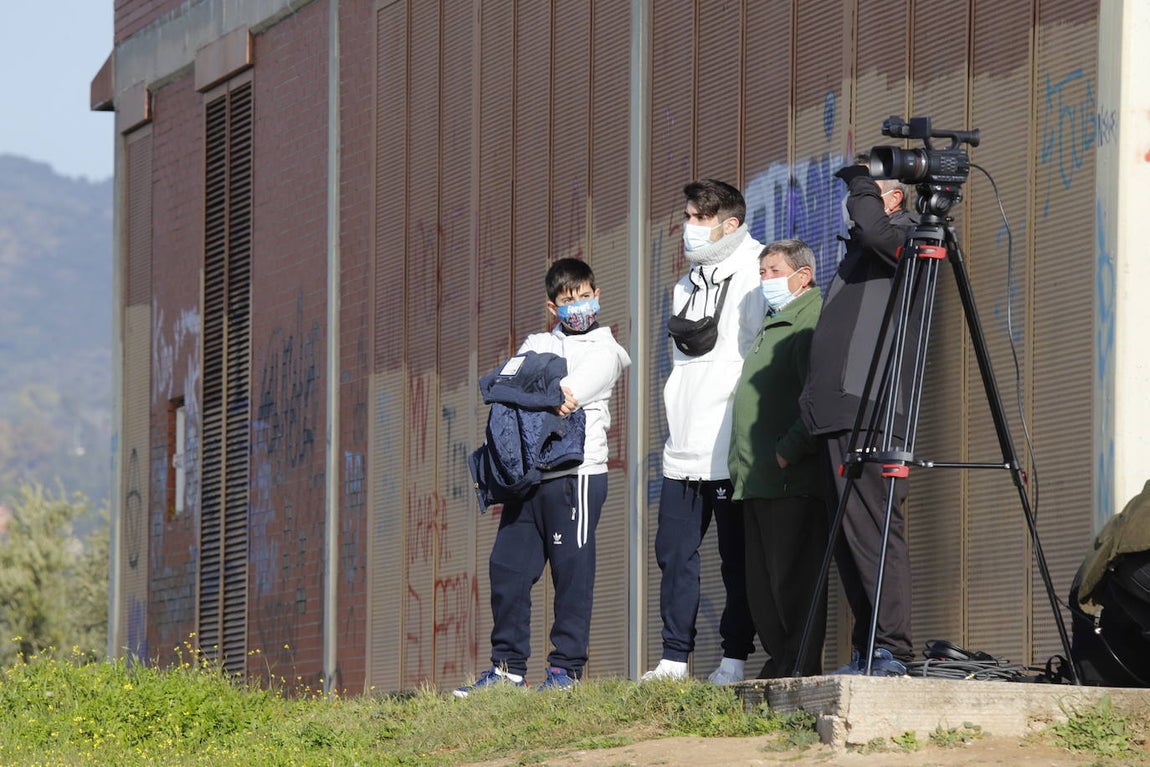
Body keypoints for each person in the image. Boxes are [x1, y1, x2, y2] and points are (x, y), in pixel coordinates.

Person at [455, 258, 631, 695]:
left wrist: (537, 388)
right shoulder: (536, 339)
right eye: (568, 300)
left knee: (572, 572)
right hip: (528, 476)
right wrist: (534, 390)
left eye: (585, 296)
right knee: (507, 568)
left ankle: (564, 671)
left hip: (578, 474)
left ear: (597, 295)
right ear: (552, 307)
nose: (579, 307)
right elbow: (499, 387)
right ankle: (507, 671)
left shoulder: (606, 351)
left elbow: (564, 399)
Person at [798, 156, 917, 675]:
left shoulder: (907, 240)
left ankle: (891, 647)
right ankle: (871, 649)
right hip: (835, 416)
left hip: (870, 411)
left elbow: (872, 229)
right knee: (850, 542)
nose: (854, 205)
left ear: (893, 200)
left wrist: (860, 178)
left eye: (868, 192)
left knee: (874, 531)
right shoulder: (860, 256)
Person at [643, 178, 764, 684]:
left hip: (730, 443)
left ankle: (735, 657)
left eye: (698, 218)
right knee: (673, 553)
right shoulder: (688, 280)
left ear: (728, 225)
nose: (688, 227)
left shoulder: (758, 271)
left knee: (736, 559)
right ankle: (674, 659)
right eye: (688, 216)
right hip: (684, 444)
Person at [728, 239, 826, 678]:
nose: (764, 280)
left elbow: (818, 395)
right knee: (763, 584)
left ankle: (800, 663)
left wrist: (789, 450)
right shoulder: (774, 321)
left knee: (793, 579)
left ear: (801, 276)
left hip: (790, 478)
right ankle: (780, 659)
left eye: (772, 271)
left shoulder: (810, 320)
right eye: (762, 271)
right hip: (757, 479)